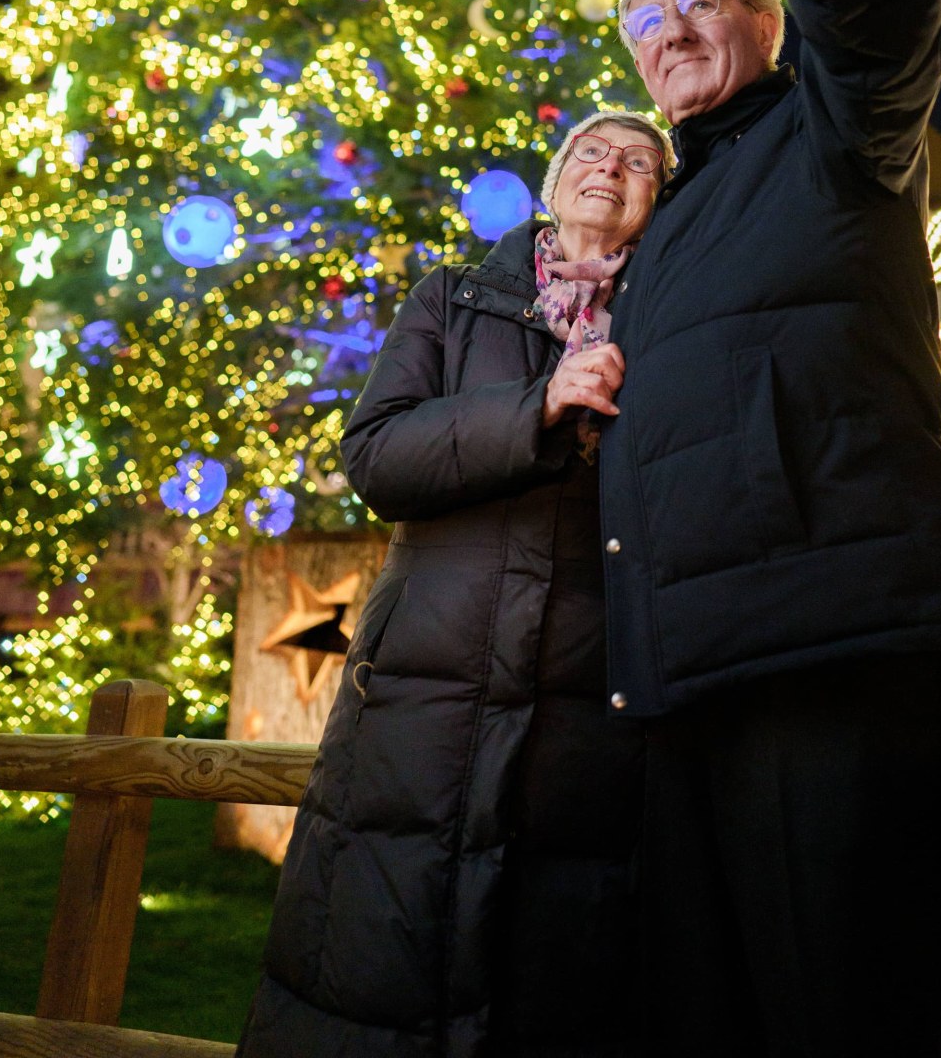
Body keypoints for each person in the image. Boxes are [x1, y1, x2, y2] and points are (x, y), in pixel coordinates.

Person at [559, 0, 941, 1058]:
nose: (669, 27)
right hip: (684, 676)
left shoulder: (832, 135)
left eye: (700, 0)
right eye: (643, 20)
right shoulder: (671, 218)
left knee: (846, 1016)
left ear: (765, 25)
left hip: (830, 658)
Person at [238, 110, 674, 1058]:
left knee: (551, 980)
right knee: (374, 957)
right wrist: (542, 402)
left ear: (658, 200)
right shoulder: (455, 296)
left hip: (590, 705)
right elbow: (377, 455)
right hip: (422, 695)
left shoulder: (675, 316)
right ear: (554, 184)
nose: (612, 167)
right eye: (591, 152)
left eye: (641, 160)